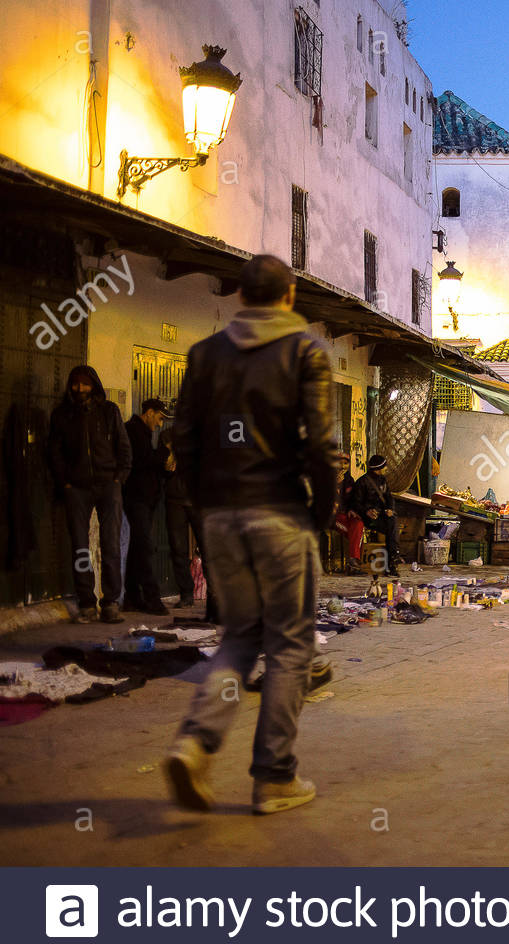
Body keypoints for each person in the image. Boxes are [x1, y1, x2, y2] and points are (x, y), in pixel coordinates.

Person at [166, 253, 337, 816]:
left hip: (220, 516)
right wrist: (321, 511)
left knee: (240, 638)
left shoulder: (204, 354)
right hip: (280, 514)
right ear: (289, 297)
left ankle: (195, 744)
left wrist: (203, 504)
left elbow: (183, 438)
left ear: (240, 297)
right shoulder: (306, 350)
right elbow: (320, 445)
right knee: (289, 646)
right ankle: (274, 777)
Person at [48, 365, 131, 623]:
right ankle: (86, 602)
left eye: (85, 384)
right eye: (76, 384)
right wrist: (66, 483)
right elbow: (54, 452)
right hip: (78, 488)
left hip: (109, 485)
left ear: (94, 385)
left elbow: (124, 448)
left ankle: (110, 603)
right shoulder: (62, 415)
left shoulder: (109, 412)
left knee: (111, 545)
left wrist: (118, 480)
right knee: (80, 548)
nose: (80, 389)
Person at [160, 427, 218, 620]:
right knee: (177, 547)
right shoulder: (168, 435)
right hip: (175, 499)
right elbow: (164, 466)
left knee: (207, 548)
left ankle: (215, 595)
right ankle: (186, 594)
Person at [122, 398, 172, 615]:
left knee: (137, 549)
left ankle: (133, 598)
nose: (160, 424)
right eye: (160, 418)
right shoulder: (132, 430)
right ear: (149, 413)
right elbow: (142, 460)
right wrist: (164, 453)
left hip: (145, 499)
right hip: (137, 499)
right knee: (144, 549)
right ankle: (152, 599)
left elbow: (147, 466)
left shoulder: (142, 432)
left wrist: (163, 468)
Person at [353, 454, 402, 576]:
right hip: (368, 519)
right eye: (384, 466)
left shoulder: (383, 480)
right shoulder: (362, 482)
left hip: (381, 515)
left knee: (392, 521)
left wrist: (390, 508)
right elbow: (355, 504)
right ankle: (392, 563)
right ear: (379, 468)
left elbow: (389, 498)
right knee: (392, 529)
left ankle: (392, 562)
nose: (386, 468)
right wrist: (367, 511)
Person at [333, 454, 366, 574]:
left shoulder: (350, 480)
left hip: (346, 515)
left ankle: (353, 563)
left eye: (345, 463)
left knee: (359, 524)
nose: (342, 466)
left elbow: (353, 500)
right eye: (339, 463)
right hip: (333, 516)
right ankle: (354, 565)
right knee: (355, 535)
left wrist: (352, 509)